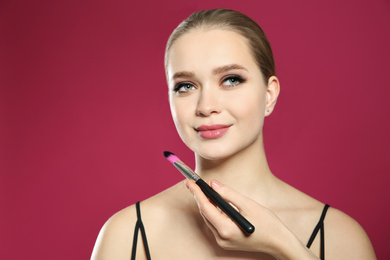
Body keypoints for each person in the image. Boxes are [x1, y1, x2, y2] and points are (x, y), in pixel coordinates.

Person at [91, 9, 376, 260]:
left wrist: (282, 244)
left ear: (269, 95)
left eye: (231, 80)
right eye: (185, 86)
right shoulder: (127, 234)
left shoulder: (338, 236)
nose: (206, 106)